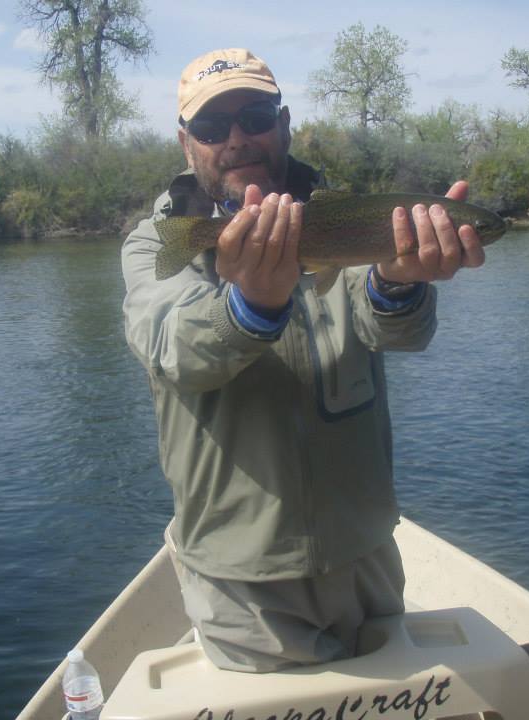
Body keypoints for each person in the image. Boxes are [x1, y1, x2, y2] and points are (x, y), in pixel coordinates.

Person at [121, 48, 485, 673]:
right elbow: (174, 351)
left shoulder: (345, 220)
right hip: (245, 580)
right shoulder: (158, 241)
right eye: (212, 127)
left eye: (256, 117)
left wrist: (395, 282)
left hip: (368, 556)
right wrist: (252, 305)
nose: (237, 139)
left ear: (284, 124)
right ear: (187, 144)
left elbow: (395, 332)